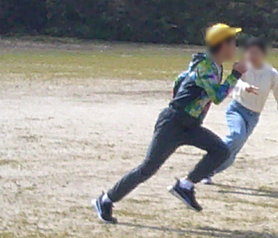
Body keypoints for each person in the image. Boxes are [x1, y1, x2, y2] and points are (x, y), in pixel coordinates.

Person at [92, 24, 245, 223]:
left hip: (190, 125)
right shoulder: (206, 66)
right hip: (173, 124)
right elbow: (216, 96)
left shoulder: (213, 65)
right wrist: (236, 75)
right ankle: (105, 200)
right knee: (147, 169)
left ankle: (185, 186)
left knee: (221, 151)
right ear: (222, 45)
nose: (235, 47)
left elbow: (181, 82)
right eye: (233, 43)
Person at [202, 37, 278, 184]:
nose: (252, 56)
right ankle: (212, 156)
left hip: (253, 116)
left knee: (234, 151)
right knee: (237, 135)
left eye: (256, 53)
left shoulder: (271, 73)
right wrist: (245, 87)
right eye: (249, 52)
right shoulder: (244, 68)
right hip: (237, 109)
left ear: (263, 54)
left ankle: (209, 171)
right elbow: (236, 82)